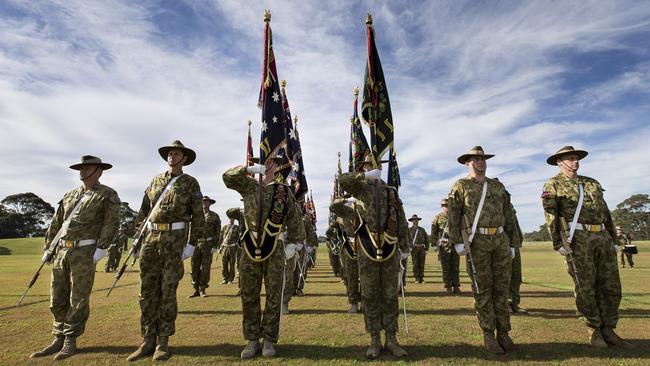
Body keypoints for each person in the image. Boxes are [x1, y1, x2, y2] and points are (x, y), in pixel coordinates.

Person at [542, 146, 634, 348]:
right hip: (578, 239)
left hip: (601, 236)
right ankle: (594, 330)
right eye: (570, 158)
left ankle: (609, 329)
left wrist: (614, 239)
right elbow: (551, 216)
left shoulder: (592, 183)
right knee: (586, 287)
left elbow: (606, 212)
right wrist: (558, 243)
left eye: (576, 158)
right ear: (560, 162)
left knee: (611, 286)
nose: (575, 162)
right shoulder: (553, 184)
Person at [30, 155, 120, 361]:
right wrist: (49, 247)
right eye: (80, 167)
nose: (82, 171)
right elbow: (56, 222)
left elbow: (111, 222)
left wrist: (102, 247)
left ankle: (70, 339)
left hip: (85, 251)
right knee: (57, 296)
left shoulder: (107, 194)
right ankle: (58, 336)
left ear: (98, 170)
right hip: (62, 251)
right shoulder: (70, 195)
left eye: (86, 167)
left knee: (78, 298)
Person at [127, 140, 204, 361]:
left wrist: (191, 243)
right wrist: (137, 240)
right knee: (147, 290)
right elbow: (143, 212)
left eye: (176, 153)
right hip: (151, 239)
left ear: (184, 158)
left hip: (174, 240)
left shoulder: (190, 183)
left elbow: (198, 216)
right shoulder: (155, 181)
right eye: (169, 153)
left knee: (167, 290)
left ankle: (163, 341)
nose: (171, 156)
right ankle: (147, 339)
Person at [222, 157, 305, 359]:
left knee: (274, 294)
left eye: (271, 162)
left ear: (277, 167)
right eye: (263, 162)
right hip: (250, 247)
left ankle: (269, 339)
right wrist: (248, 168)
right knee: (249, 293)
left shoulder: (282, 191)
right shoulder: (248, 186)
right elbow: (227, 178)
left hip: (274, 247)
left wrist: (295, 243)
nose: (267, 165)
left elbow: (294, 218)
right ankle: (252, 340)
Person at [448, 146, 518, 354]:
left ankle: (503, 333)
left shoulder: (497, 186)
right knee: (482, 288)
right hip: (476, 241)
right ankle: (488, 333)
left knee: (502, 289)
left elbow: (509, 214)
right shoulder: (460, 186)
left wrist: (513, 242)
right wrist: (456, 241)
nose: (480, 162)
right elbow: (454, 214)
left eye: (483, 159)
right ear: (467, 163)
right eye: (475, 159)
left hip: (500, 240)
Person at [339, 161, 410, 359]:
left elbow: (401, 219)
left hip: (389, 246)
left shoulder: (391, 192)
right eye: (367, 166)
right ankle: (374, 339)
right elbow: (343, 180)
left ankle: (391, 338)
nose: (371, 168)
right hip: (367, 246)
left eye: (374, 166)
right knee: (369, 294)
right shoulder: (359, 188)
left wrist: (405, 247)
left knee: (389, 293)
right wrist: (364, 177)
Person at [329, 195, 362, 314]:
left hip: (366, 245)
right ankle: (353, 303)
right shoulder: (344, 211)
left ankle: (365, 302)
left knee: (365, 276)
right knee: (351, 276)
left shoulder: (363, 207)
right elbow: (333, 206)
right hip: (349, 246)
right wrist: (345, 200)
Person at [189, 196, 220, 297]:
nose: (204, 203)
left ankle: (202, 289)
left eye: (206, 202)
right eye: (203, 202)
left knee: (205, 267)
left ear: (210, 204)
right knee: (194, 266)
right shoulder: (195, 216)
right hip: (196, 244)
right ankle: (195, 289)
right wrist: (188, 243)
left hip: (208, 244)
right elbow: (190, 229)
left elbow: (217, 231)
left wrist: (215, 245)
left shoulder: (214, 216)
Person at [431, 199, 460, 294]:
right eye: (444, 205)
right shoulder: (438, 217)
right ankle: (448, 286)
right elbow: (433, 232)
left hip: (455, 244)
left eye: (447, 205)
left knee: (455, 267)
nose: (446, 207)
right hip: (444, 245)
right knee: (446, 267)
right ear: (441, 207)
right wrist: (434, 244)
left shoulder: (455, 216)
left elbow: (460, 229)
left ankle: (456, 286)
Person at [220, 212, 241, 284]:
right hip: (225, 247)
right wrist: (219, 246)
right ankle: (225, 278)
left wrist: (237, 246)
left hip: (233, 247)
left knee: (232, 264)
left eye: (232, 218)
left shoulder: (237, 227)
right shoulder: (225, 227)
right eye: (230, 218)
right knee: (224, 264)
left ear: (234, 219)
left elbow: (239, 238)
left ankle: (230, 279)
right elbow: (221, 237)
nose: (231, 219)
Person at [408, 215, 429, 283]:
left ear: (418, 221)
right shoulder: (409, 230)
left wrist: (426, 249)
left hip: (422, 248)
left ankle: (421, 278)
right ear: (412, 221)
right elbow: (407, 240)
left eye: (416, 220)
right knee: (415, 264)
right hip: (414, 249)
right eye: (414, 220)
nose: (415, 221)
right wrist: (409, 248)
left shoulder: (422, 230)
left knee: (422, 264)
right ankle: (416, 278)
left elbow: (426, 239)